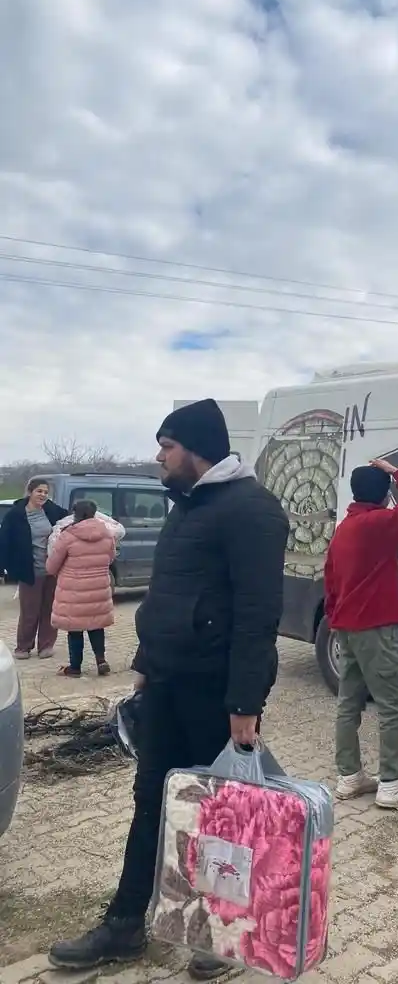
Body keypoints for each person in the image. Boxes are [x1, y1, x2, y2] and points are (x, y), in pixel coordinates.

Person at [49, 399, 289, 980]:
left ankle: (218, 934)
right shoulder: (186, 505)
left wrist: (244, 704)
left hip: (215, 693)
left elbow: (259, 616)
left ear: (198, 447)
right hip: (166, 684)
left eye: (167, 445)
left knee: (220, 817)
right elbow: (165, 597)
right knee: (152, 802)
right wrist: (145, 664)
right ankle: (126, 925)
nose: (159, 456)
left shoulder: (252, 510)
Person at [326, 458, 398, 811]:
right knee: (393, 705)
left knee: (348, 703)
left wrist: (334, 617)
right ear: (384, 494)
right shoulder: (381, 523)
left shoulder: (345, 527)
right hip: (375, 627)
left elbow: (331, 578)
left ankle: (349, 776)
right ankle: (391, 784)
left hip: (346, 626)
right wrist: (397, 471)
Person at [46, 500, 117, 678]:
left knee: (75, 628)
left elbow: (52, 565)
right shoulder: (107, 533)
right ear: (95, 513)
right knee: (96, 625)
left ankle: (75, 668)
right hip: (99, 587)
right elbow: (111, 557)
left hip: (73, 590)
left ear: (75, 514)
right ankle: (101, 661)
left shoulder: (68, 535)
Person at [0, 477, 68, 660]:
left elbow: (71, 519)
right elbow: (4, 542)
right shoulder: (16, 514)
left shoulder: (51, 510)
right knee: (30, 611)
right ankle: (23, 647)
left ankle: (46, 646)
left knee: (49, 610)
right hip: (29, 571)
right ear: (30, 492)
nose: (43, 495)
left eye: (46, 492)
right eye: (39, 491)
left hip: (51, 570)